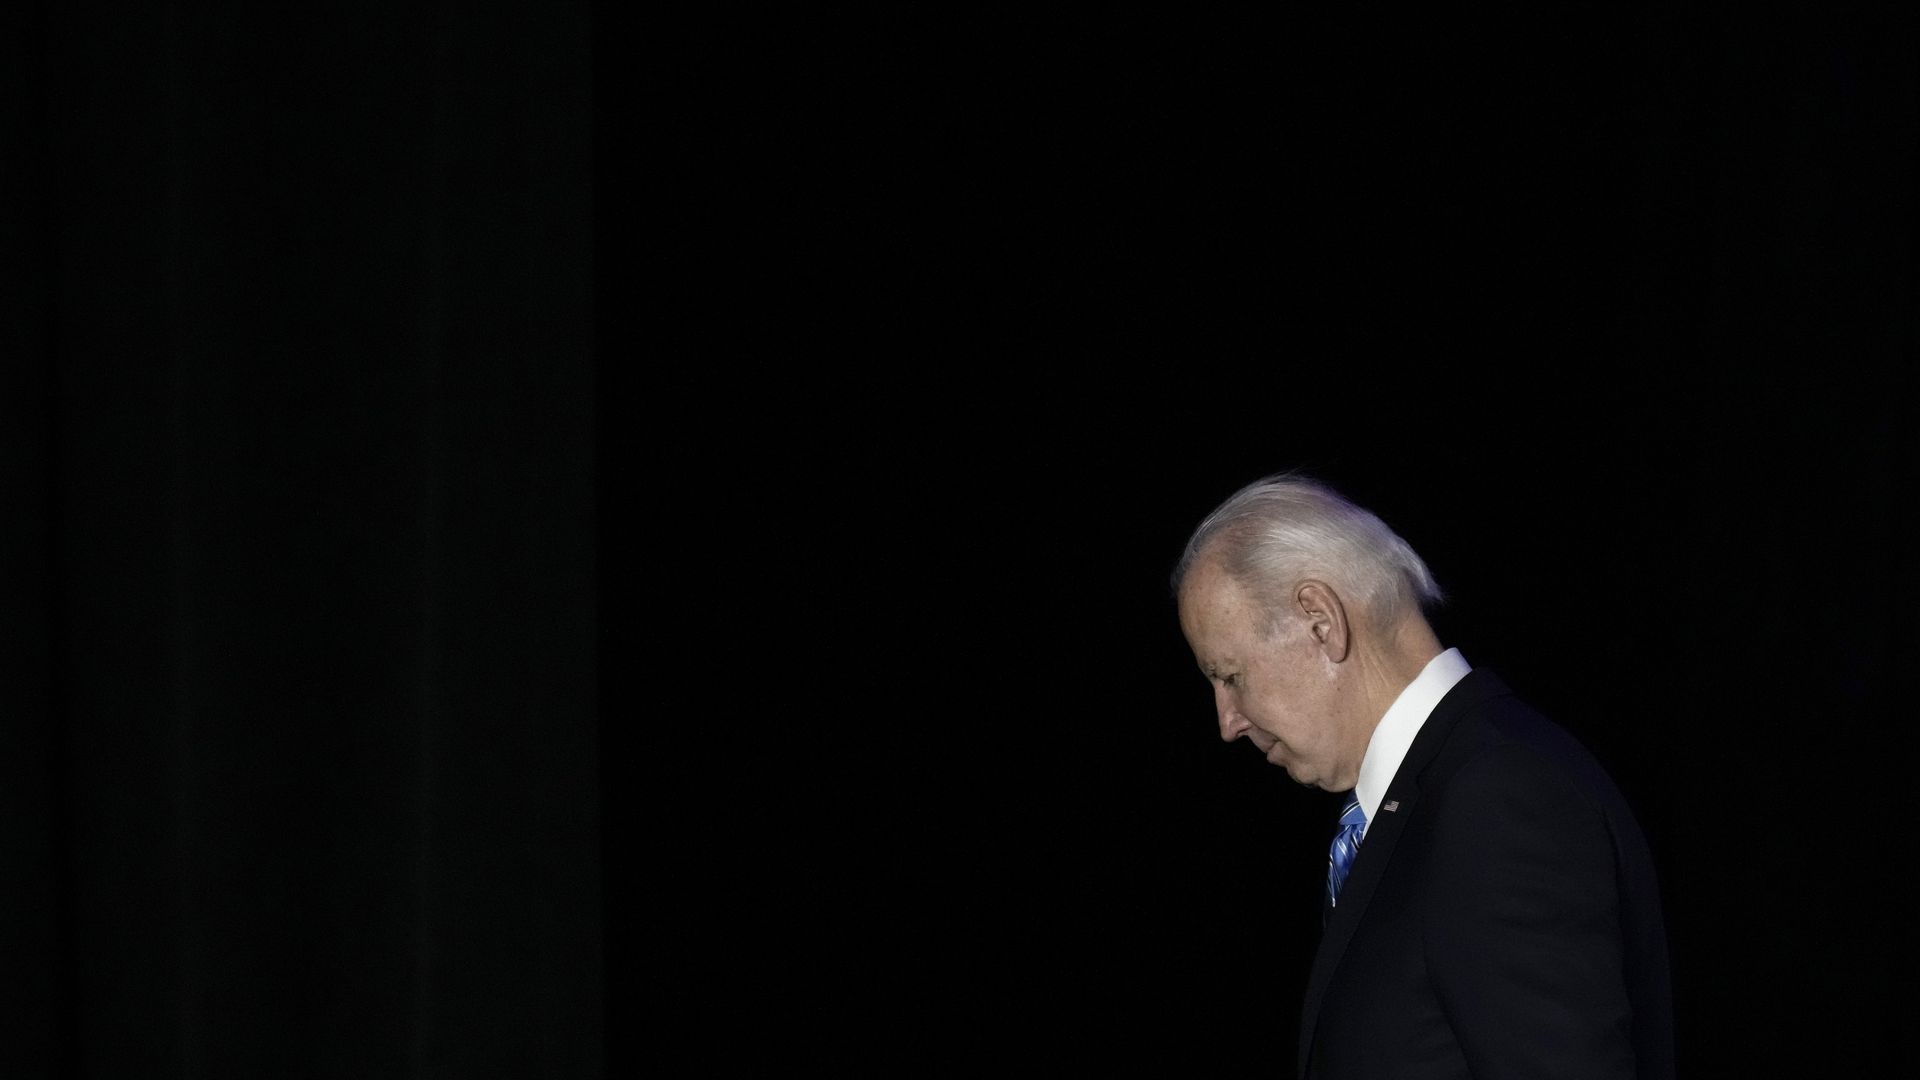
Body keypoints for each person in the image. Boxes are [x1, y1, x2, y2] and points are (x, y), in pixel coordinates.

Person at [1171, 471, 1674, 1080]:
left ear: (1320, 620)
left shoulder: (1498, 799)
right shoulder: (1426, 804)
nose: (1227, 722)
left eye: (1230, 676)